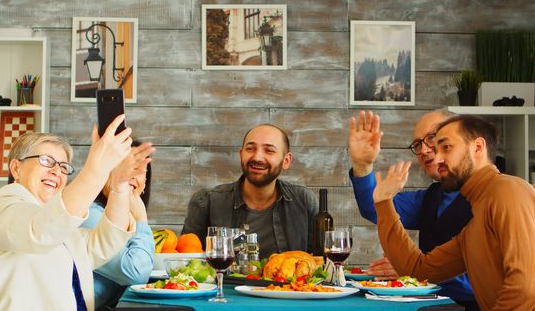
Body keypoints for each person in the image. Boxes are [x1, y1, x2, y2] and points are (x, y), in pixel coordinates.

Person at [373, 115, 535, 310]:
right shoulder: (474, 226)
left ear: (478, 147)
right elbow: (418, 269)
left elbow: (526, 289)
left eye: (446, 147)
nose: (436, 158)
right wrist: (383, 200)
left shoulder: (507, 191)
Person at [0, 115, 138, 311]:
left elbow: (104, 243)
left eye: (63, 167)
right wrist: (98, 167)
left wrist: (119, 185)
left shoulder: (52, 222)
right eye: (45, 161)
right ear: (16, 168)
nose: (56, 171)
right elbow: (40, 231)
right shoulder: (1, 207)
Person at [348, 110, 477, 308]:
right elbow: (374, 208)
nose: (425, 150)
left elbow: (493, 279)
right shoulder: (430, 197)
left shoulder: (495, 198)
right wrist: (362, 165)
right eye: (417, 144)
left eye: (433, 138)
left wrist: (412, 271)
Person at [181, 123, 318, 259]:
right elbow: (186, 261)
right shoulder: (207, 201)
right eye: (250, 149)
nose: (257, 157)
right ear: (241, 154)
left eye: (269, 150)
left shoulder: (304, 200)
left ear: (286, 160)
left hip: (289, 282)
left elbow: (320, 262)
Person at [81, 140, 155, 311]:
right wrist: (141, 219)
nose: (130, 175)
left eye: (138, 169)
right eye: (122, 166)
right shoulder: (89, 214)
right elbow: (136, 273)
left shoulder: (125, 217)